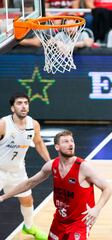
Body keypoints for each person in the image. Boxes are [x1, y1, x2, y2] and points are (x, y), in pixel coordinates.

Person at [0, 130, 112, 239]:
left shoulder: (83, 167)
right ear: (57, 147)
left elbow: (107, 188)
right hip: (60, 219)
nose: (70, 144)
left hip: (80, 221)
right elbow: (29, 183)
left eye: (72, 141)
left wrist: (97, 209)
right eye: (66, 141)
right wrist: (3, 197)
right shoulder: (52, 165)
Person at [0, 92, 50, 239]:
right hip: (0, 169)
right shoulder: (3, 124)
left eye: (26, 103)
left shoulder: (33, 124)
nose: (23, 106)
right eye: (19, 103)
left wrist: (49, 162)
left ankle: (29, 227)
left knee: (27, 200)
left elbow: (39, 143)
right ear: (12, 108)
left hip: (18, 170)